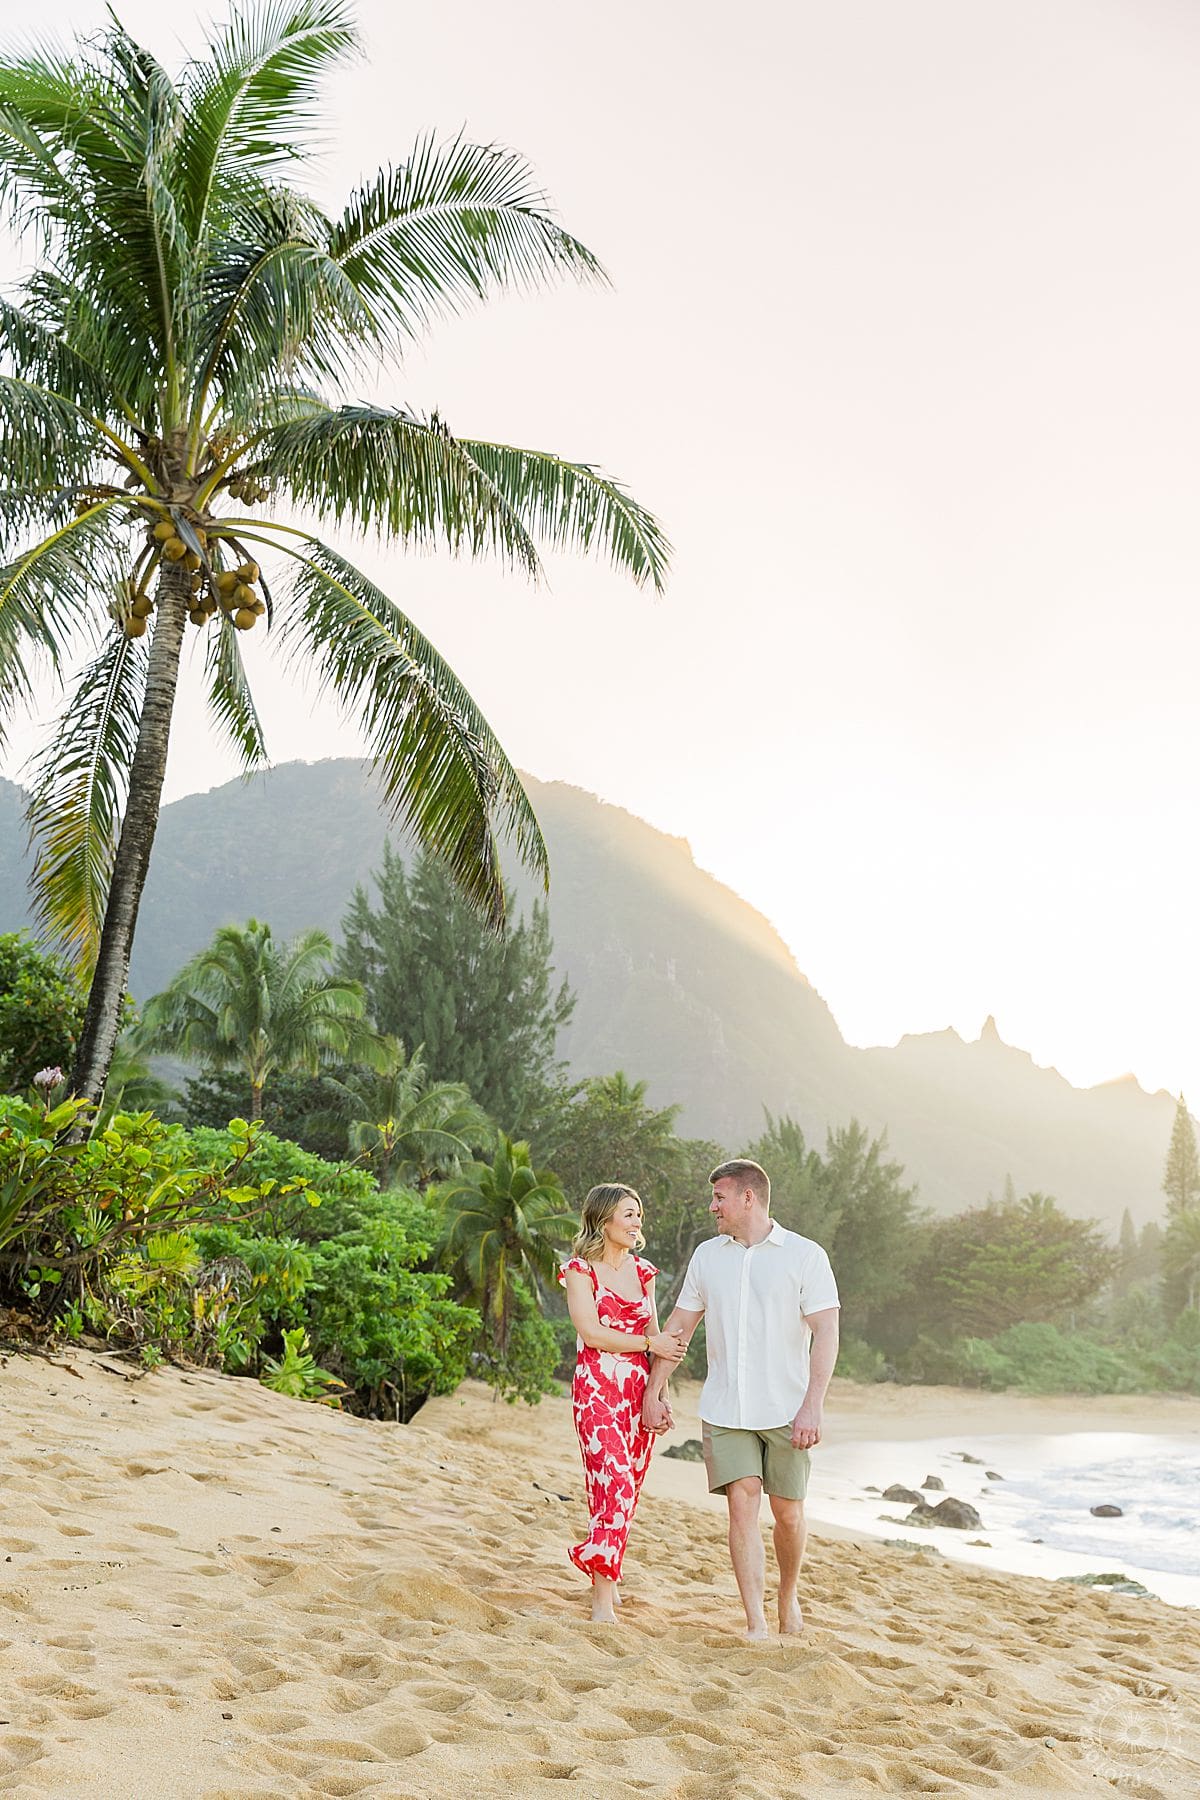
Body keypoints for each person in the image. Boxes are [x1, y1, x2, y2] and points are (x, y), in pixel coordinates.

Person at [643, 1158, 840, 1640]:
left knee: (789, 1513)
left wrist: (813, 1404)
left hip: (787, 1408)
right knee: (741, 1504)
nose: (713, 1207)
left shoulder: (805, 1255)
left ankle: (787, 1596)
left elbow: (827, 1332)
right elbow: (679, 1328)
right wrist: (655, 1389)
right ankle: (755, 1622)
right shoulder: (708, 1257)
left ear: (747, 1198)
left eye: (719, 1198)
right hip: (726, 1407)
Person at [559, 1183, 685, 1623]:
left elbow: (660, 1348)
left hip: (637, 1392)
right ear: (604, 1219)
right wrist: (652, 1341)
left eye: (639, 1215)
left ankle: (606, 1582)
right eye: (628, 1214)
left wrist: (661, 1396)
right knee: (613, 1485)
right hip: (596, 1388)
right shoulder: (579, 1269)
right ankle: (600, 1602)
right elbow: (592, 1333)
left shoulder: (644, 1272)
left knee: (624, 1491)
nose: (636, 1223)